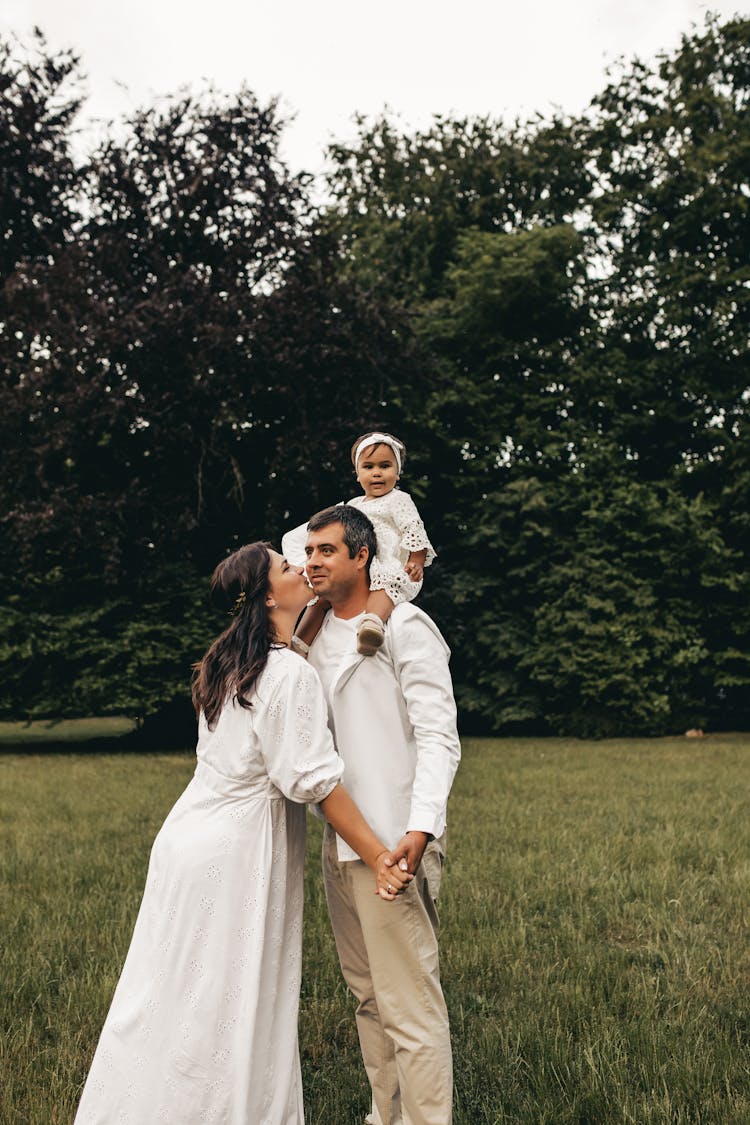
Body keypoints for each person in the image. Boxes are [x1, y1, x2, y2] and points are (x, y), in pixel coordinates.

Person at [74, 542, 411, 1125]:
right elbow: (315, 783)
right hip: (236, 853)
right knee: (232, 997)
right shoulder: (288, 676)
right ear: (265, 595)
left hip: (185, 841)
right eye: (286, 567)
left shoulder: (226, 664)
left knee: (169, 994)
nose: (301, 567)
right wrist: (380, 856)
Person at [302, 504, 461, 1125]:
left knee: (411, 1005)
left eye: (326, 552)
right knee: (368, 997)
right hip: (340, 838)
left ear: (363, 556)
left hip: (395, 840)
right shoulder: (311, 636)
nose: (312, 562)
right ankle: (383, 1115)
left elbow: (439, 736)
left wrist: (420, 830)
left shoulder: (405, 626)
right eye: (308, 552)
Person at [282, 430, 436, 656]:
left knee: (385, 587)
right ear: (357, 474)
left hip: (385, 560)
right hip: (356, 563)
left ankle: (372, 625)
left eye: (385, 466)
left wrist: (416, 561)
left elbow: (414, 530)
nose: (377, 473)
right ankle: (299, 643)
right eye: (368, 467)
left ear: (398, 473)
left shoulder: (399, 500)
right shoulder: (354, 504)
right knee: (319, 598)